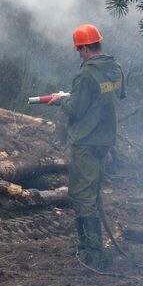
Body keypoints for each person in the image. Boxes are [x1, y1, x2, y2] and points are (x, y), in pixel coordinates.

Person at [47, 24, 124, 268]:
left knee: (82, 195)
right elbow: (112, 98)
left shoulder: (85, 75)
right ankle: (92, 248)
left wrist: (61, 101)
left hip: (86, 141)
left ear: (87, 48)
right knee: (93, 192)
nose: (80, 54)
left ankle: (92, 253)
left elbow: (76, 110)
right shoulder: (115, 69)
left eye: (80, 50)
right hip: (105, 140)